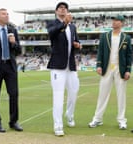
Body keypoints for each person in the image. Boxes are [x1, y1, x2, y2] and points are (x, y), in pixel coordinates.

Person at [88, 15, 132, 130]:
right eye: (113, 20)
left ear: (121, 23)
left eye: (116, 20)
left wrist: (128, 70)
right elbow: (100, 52)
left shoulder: (126, 38)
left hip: (120, 69)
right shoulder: (105, 36)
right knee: (102, 94)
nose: (114, 22)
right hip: (107, 68)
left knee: (121, 95)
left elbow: (129, 55)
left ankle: (122, 120)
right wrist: (98, 65)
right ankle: (97, 119)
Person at [46, 1, 81, 136]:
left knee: (73, 93)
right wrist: (64, 23)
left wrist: (78, 44)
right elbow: (52, 34)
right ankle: (58, 125)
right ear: (56, 11)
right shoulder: (52, 23)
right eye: (60, 8)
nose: (63, 9)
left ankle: (69, 115)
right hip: (57, 66)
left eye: (65, 8)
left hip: (70, 66)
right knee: (58, 96)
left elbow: (76, 40)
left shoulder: (72, 27)